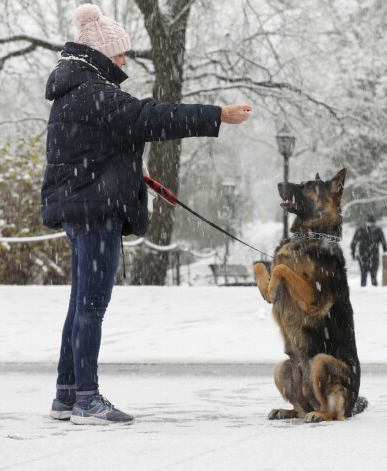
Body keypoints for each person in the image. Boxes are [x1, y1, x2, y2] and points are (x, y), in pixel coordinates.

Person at [42, 4, 252, 425]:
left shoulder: (75, 93)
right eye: (120, 54)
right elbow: (150, 117)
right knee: (91, 307)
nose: (124, 62)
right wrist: (217, 116)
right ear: (100, 53)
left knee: (79, 306)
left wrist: (133, 172)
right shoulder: (95, 93)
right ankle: (86, 398)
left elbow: (99, 148)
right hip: (95, 213)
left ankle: (67, 395)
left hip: (81, 208)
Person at [350, 214, 387, 286]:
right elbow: (383, 242)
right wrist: (385, 251)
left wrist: (353, 253)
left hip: (363, 255)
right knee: (374, 275)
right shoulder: (377, 230)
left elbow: (353, 243)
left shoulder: (360, 229)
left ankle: (363, 289)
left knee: (363, 274)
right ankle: (374, 289)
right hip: (374, 255)